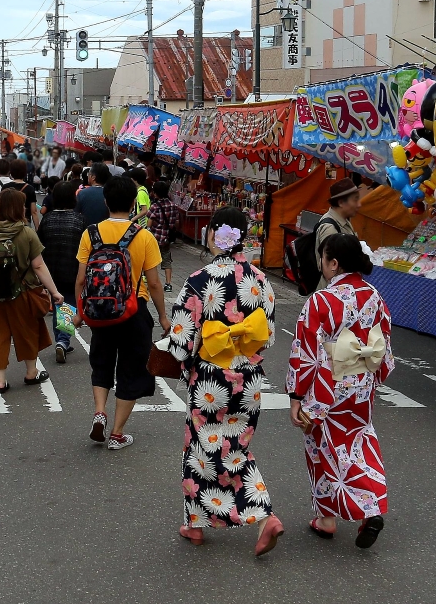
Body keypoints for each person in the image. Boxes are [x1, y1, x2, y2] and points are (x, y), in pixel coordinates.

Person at [167, 207, 284, 555]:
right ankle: (196, 523)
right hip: (248, 378)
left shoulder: (200, 279)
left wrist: (186, 356)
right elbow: (269, 335)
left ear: (214, 233)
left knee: (204, 447)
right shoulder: (262, 281)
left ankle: (264, 516)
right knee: (233, 445)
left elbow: (180, 339)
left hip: (210, 379)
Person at [287, 233, 394, 549]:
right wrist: (377, 373)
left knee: (320, 446)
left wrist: (296, 394)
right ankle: (360, 509)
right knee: (359, 442)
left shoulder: (321, 301)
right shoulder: (374, 296)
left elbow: (304, 350)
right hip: (361, 386)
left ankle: (333, 517)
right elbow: (383, 343)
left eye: (324, 259)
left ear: (333, 263)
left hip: (326, 385)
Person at [74, 176, 170, 450]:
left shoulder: (90, 233)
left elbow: (81, 279)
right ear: (132, 203)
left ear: (105, 201)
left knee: (101, 361)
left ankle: (100, 411)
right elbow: (154, 283)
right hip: (133, 311)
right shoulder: (143, 236)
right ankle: (117, 433)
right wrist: (163, 316)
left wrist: (81, 312)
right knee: (132, 369)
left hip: (99, 310)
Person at [0, 189, 63, 393]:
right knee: (27, 330)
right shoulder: (26, 232)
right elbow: (38, 265)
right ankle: (31, 373)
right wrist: (54, 291)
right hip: (23, 292)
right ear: (16, 208)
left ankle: (0, 381)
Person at [37, 181, 87, 364]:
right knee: (67, 303)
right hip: (73, 270)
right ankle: (63, 340)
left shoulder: (47, 219)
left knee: (57, 303)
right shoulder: (79, 220)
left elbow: (39, 245)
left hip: (51, 270)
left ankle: (62, 339)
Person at [314, 178, 361, 290]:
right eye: (355, 200)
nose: (359, 204)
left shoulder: (344, 221)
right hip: (334, 293)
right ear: (341, 202)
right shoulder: (330, 228)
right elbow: (329, 268)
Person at [147, 180, 180, 293]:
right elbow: (176, 222)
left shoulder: (154, 206)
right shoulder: (173, 205)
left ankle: (152, 281)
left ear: (155, 193)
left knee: (152, 261)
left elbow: (149, 224)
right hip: (166, 238)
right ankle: (168, 284)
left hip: (155, 238)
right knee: (167, 261)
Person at [4, 159, 39, 228]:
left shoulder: (5, 187)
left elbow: (3, 208)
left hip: (8, 223)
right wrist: (38, 229)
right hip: (25, 223)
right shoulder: (30, 188)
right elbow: (34, 212)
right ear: (25, 172)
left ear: (11, 172)